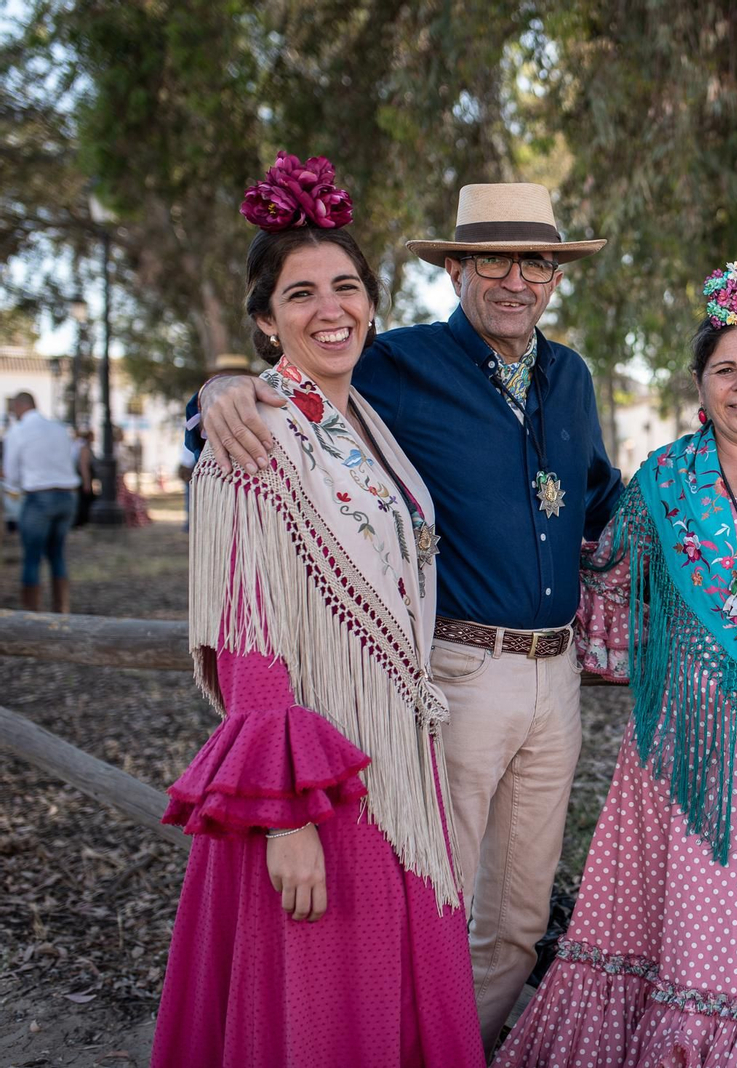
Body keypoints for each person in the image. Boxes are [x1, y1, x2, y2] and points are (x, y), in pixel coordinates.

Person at [191, 175, 622, 1047]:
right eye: (491, 260)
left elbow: (601, 501)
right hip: (455, 673)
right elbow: (285, 398)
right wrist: (214, 394)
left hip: (556, 677)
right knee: (432, 901)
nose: (514, 280)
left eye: (533, 261)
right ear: (457, 268)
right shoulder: (398, 362)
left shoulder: (571, 376)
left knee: (516, 917)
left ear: (555, 275)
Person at [493, 264, 737, 1067]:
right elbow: (606, 581)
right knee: (687, 925)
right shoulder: (666, 481)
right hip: (685, 749)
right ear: (701, 384)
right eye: (724, 370)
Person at [152, 153, 481, 1066]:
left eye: (347, 285)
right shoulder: (252, 439)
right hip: (315, 778)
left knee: (403, 983)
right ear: (265, 322)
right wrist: (285, 821)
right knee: (331, 998)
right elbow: (253, 641)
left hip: (398, 761)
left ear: (373, 302)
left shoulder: (367, 424)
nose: (330, 308)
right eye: (300, 294)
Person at [3, 391, 80, 613]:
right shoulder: (59, 428)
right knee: (56, 553)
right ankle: (61, 609)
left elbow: (12, 474)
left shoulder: (18, 431)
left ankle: (31, 614)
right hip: (67, 496)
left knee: (32, 556)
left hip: (39, 496)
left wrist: (14, 489)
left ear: (19, 407)